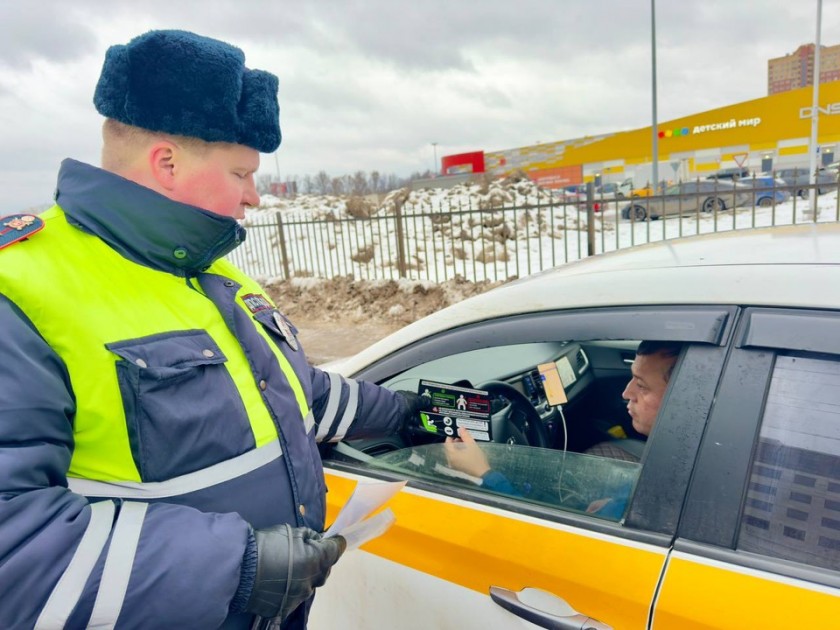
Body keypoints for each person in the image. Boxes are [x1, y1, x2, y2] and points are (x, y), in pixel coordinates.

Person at [0, 30, 426, 630]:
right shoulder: (18, 289)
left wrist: (410, 412)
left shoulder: (216, 278)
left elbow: (297, 393)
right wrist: (242, 567)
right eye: (240, 174)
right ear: (167, 162)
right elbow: (12, 545)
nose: (254, 197)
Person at [444, 341, 682, 516]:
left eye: (641, 385)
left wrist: (483, 473)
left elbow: (538, 537)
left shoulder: (655, 496)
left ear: (681, 396)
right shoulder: (681, 455)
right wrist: (614, 502)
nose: (626, 393)